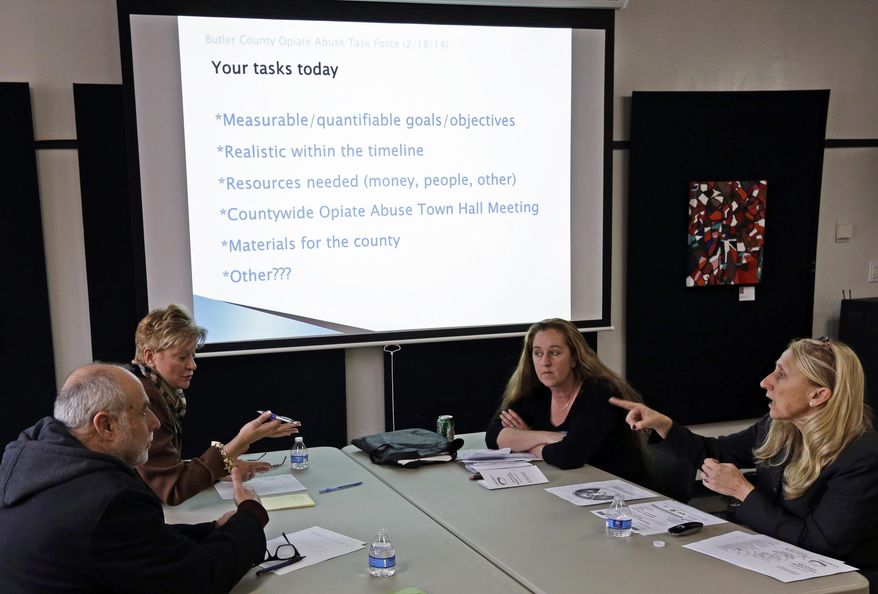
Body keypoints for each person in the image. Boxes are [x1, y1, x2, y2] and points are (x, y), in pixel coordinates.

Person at [610, 337, 878, 591]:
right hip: (770, 554)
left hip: (832, 579)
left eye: (781, 374)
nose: (765, 382)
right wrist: (663, 425)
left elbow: (819, 545)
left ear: (818, 395)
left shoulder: (861, 455)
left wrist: (742, 491)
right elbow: (716, 452)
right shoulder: (778, 427)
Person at [0, 363, 269, 593]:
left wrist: (210, 529)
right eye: (142, 412)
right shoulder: (108, 500)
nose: (154, 422)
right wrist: (251, 516)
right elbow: (200, 580)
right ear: (105, 425)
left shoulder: (31, 459)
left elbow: (135, 542)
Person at [129, 304, 299, 504]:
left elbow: (166, 469)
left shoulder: (159, 391)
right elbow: (172, 488)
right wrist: (242, 441)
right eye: (182, 357)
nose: (193, 365)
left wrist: (219, 469)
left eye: (193, 355)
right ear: (150, 357)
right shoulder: (144, 400)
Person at [485, 318, 653, 486]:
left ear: (574, 358)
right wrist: (547, 436)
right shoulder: (537, 392)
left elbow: (569, 456)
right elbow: (493, 436)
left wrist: (526, 443)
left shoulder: (600, 393)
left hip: (622, 493)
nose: (545, 362)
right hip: (574, 487)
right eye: (538, 353)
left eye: (555, 353)